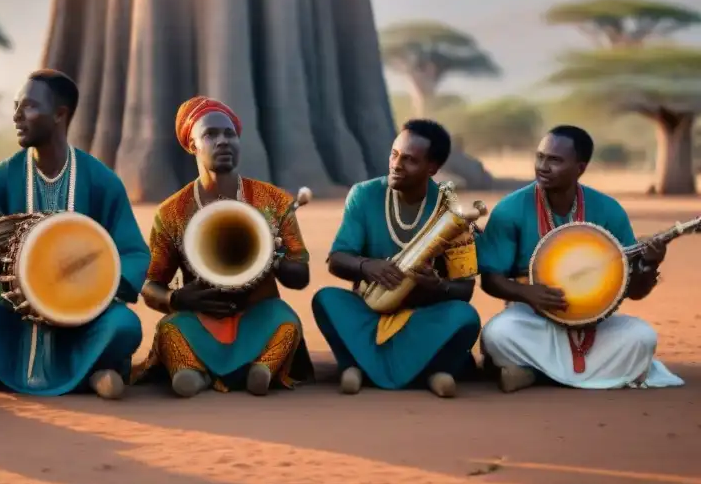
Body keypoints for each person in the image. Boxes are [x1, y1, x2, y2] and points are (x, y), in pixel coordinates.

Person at [0, 69, 149, 399]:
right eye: (15, 107)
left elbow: (134, 254)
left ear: (59, 114)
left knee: (125, 327)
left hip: (84, 317)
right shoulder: (0, 179)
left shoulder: (101, 180)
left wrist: (92, 284)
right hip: (14, 317)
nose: (16, 116)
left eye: (28, 107)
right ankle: (95, 374)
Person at [477, 125, 684, 392]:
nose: (543, 166)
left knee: (642, 337)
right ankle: (592, 374)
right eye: (540, 156)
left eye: (555, 160)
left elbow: (633, 291)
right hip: (532, 319)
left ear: (580, 168)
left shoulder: (608, 210)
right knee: (498, 334)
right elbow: (490, 279)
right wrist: (527, 293)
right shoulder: (511, 209)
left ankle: (533, 374)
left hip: (594, 322)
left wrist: (649, 264)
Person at [133, 96, 314, 397]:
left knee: (286, 323)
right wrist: (177, 300)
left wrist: (275, 258)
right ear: (192, 145)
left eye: (229, 134)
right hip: (201, 319)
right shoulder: (171, 212)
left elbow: (302, 276)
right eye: (210, 135)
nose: (223, 141)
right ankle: (197, 373)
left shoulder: (274, 201)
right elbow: (151, 285)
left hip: (260, 313)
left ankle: (260, 369)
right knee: (169, 330)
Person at [311, 119, 481, 398]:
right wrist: (367, 266)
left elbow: (465, 289)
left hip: (422, 316)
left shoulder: (450, 211)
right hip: (369, 311)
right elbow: (337, 259)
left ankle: (358, 368)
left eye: (410, 160)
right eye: (394, 154)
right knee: (327, 300)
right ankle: (430, 372)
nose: (396, 164)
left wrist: (437, 286)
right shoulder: (364, 195)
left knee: (465, 317)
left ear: (432, 168)